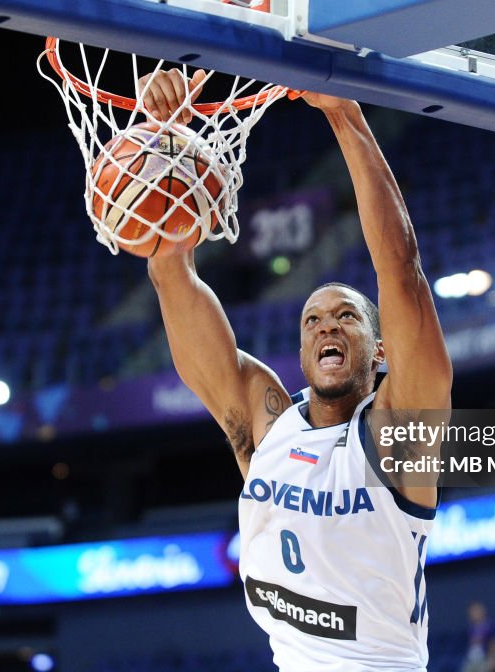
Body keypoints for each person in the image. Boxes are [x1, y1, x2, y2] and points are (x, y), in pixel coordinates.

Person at [141, 68, 453, 671]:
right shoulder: (268, 428)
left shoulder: (399, 435)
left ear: (380, 352)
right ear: (304, 351)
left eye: (345, 317)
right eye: (312, 321)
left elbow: (400, 269)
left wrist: (344, 114)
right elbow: (170, 272)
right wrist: (168, 142)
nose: (326, 326)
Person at [461, 601, 495, 672]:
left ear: (481, 612)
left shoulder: (490, 626)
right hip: (472, 659)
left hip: (485, 659)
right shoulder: (472, 628)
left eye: (474, 611)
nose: (472, 614)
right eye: (470, 612)